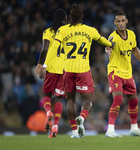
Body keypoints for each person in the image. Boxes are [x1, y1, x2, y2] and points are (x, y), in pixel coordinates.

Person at [44, 3, 115, 138]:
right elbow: (102, 41)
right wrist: (111, 44)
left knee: (70, 100)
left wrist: (45, 66)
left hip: (68, 70)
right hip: (83, 70)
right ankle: (82, 117)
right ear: (82, 17)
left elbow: (53, 49)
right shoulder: (90, 30)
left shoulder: (63, 30)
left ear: (70, 17)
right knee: (87, 101)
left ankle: (75, 132)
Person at [104, 12, 140, 137]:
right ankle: (110, 130)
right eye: (118, 21)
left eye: (122, 21)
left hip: (127, 73)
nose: (120, 23)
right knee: (118, 98)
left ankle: (134, 128)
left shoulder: (132, 35)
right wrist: (108, 49)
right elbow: (108, 46)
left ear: (126, 21)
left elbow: (134, 49)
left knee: (134, 100)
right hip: (115, 71)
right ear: (114, 23)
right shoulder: (112, 37)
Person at [35, 8, 67, 138]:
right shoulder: (67, 32)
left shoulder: (47, 32)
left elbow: (45, 49)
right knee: (59, 97)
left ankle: (48, 112)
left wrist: (40, 64)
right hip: (65, 69)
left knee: (46, 94)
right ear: (65, 19)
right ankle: (55, 126)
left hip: (51, 68)